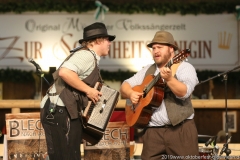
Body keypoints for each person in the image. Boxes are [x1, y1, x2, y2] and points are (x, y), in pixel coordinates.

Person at [40, 22, 115, 160]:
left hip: (64, 112)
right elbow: (65, 72)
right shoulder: (86, 56)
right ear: (98, 40)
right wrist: (89, 91)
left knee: (70, 155)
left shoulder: (89, 56)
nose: (109, 43)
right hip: (59, 112)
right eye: (107, 39)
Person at [120, 31, 199, 160]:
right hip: (153, 134)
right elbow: (124, 85)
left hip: (180, 131)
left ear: (171, 49)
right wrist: (131, 93)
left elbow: (184, 92)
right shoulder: (147, 70)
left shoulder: (184, 67)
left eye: (160, 47)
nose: (155, 51)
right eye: (154, 48)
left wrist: (169, 79)